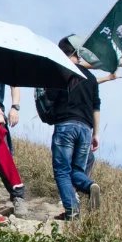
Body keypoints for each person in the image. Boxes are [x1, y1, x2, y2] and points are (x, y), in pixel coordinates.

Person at [39, 35, 112, 220]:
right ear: (77, 53)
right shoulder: (91, 78)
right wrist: (96, 134)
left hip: (66, 126)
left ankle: (72, 211)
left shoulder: (61, 72)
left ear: (61, 53)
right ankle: (89, 185)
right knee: (77, 171)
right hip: (86, 129)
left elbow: (51, 98)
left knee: (62, 170)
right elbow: (96, 106)